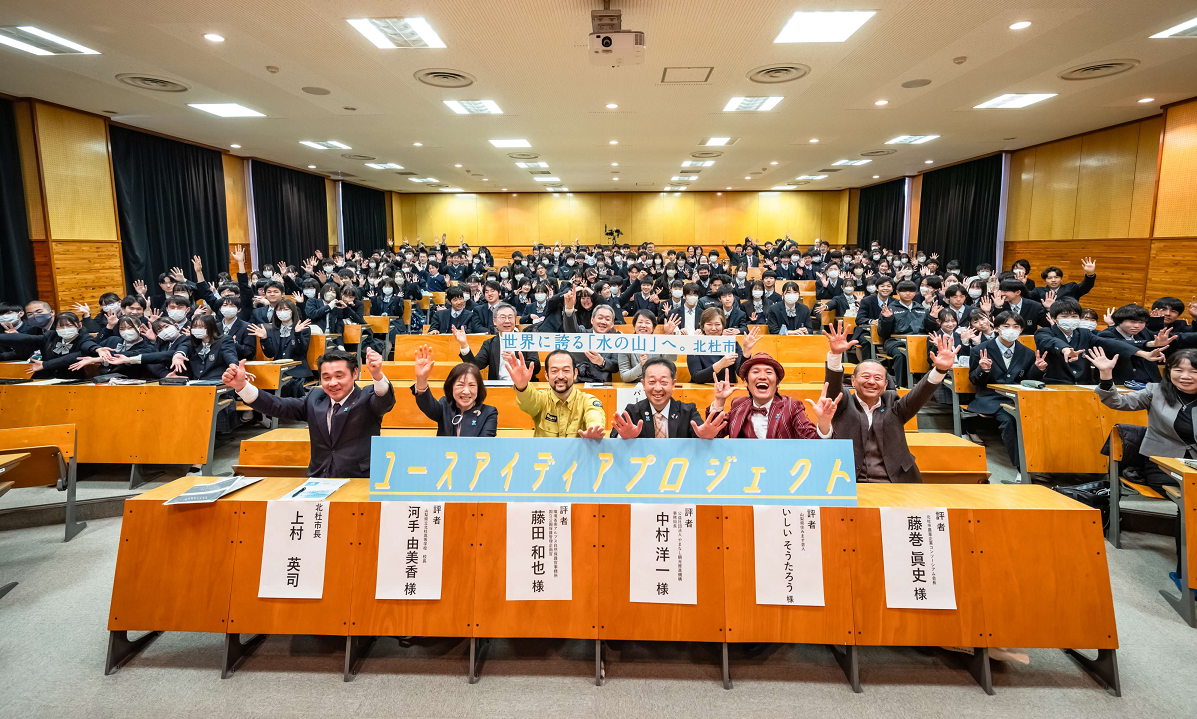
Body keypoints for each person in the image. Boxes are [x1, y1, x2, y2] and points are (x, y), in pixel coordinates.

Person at [1090, 346, 1197, 593]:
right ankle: (1188, 575)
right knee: (1191, 501)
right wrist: (1106, 376)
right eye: (1178, 369)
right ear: (1168, 371)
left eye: (1193, 370)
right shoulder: (1155, 391)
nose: (1185, 375)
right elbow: (1117, 402)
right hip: (1161, 463)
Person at [812, 322, 959, 482]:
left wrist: (940, 370)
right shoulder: (843, 402)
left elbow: (920, 394)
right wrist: (835, 356)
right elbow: (833, 388)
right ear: (853, 381)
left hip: (895, 481)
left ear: (885, 384)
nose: (872, 382)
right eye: (866, 376)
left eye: (878, 378)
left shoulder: (894, 405)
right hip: (849, 480)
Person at [223, 348, 395, 476]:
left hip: (359, 478)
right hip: (319, 478)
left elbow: (384, 400)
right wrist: (242, 386)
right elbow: (277, 406)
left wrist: (377, 375)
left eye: (339, 376)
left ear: (355, 373)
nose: (332, 383)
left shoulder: (366, 397)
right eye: (326, 377)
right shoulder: (315, 398)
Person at [968, 312, 1051, 483]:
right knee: (1009, 420)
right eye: (1006, 326)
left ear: (1021, 330)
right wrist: (983, 370)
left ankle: (1046, 464)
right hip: (992, 397)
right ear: (997, 328)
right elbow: (974, 380)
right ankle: (1022, 468)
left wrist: (1038, 369)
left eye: (1015, 327)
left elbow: (1028, 381)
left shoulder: (1027, 353)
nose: (1011, 330)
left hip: (1017, 398)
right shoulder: (980, 350)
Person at [706, 353, 825, 439]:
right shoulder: (738, 404)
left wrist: (824, 423)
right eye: (755, 372)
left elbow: (814, 442)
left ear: (777, 384)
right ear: (746, 382)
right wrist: (719, 401)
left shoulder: (792, 406)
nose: (762, 376)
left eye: (769, 372)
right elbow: (715, 434)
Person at [610, 358, 727, 439]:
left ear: (673, 384)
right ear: (643, 384)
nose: (657, 388)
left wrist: (703, 437)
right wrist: (623, 438)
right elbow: (614, 435)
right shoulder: (632, 411)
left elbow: (701, 432)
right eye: (651, 382)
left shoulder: (688, 411)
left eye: (664, 382)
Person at [503, 349, 606, 439]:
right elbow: (529, 402)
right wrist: (522, 386)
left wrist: (594, 428)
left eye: (566, 370)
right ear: (547, 375)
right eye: (554, 371)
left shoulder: (587, 401)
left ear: (575, 373)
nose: (560, 376)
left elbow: (594, 414)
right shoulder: (541, 399)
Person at [411, 344, 498, 437]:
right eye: (460, 385)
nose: (466, 391)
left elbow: (484, 444)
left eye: (472, 385)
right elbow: (427, 405)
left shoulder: (489, 413)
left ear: (479, 388)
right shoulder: (444, 405)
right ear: (451, 387)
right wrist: (421, 379)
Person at [456, 303, 541, 381]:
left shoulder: (526, 340)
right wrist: (464, 345)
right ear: (494, 321)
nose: (507, 321)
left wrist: (517, 362)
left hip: (525, 386)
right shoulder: (489, 343)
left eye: (510, 317)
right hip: (499, 387)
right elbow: (475, 365)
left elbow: (536, 367)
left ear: (515, 320)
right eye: (503, 317)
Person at [687, 309, 761, 385]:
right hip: (700, 391)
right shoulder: (694, 345)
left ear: (723, 326)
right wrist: (720, 364)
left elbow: (741, 373)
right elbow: (697, 377)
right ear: (702, 327)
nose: (713, 328)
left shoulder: (732, 344)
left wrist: (746, 351)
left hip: (728, 389)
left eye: (717, 324)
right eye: (709, 324)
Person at [617, 310, 680, 383]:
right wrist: (641, 366)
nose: (643, 325)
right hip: (633, 387)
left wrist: (669, 336)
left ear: (653, 327)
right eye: (640, 322)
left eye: (647, 322)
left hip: (657, 385)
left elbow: (671, 359)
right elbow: (625, 377)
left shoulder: (660, 342)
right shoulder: (625, 345)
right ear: (634, 326)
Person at [1030, 257, 1096, 303]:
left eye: (1056, 277)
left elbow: (1085, 286)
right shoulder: (1038, 291)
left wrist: (1090, 274)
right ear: (1045, 280)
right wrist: (1021, 283)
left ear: (1061, 278)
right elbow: (1026, 296)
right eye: (1049, 278)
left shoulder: (1071, 287)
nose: (1053, 280)